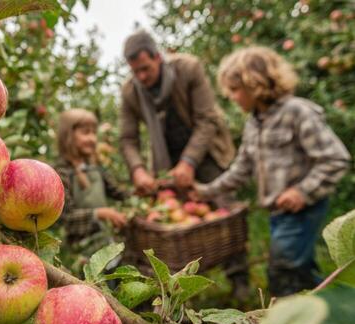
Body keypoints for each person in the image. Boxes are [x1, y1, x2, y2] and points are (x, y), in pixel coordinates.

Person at [191, 46, 351, 297]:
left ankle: (290, 320)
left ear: (254, 84)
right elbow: (241, 169)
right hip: (278, 212)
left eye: (234, 90)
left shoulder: (297, 112)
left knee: (283, 271)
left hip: (303, 208)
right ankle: (332, 306)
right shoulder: (254, 123)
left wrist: (301, 191)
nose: (231, 97)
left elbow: (335, 159)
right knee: (300, 270)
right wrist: (206, 192)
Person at [120, 30, 236, 195]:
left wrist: (188, 161)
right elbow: (128, 139)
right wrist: (137, 169)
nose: (141, 77)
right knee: (177, 213)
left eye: (145, 68)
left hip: (205, 152)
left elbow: (207, 120)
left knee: (221, 204)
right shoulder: (130, 92)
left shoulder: (188, 69)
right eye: (135, 71)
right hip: (167, 160)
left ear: (158, 57)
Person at [55, 108, 129, 265]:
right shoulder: (61, 172)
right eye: (86, 132)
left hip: (104, 245)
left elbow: (118, 192)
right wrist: (100, 213)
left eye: (94, 133)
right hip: (80, 254)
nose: (92, 138)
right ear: (68, 135)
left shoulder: (95, 166)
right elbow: (65, 218)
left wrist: (143, 191)